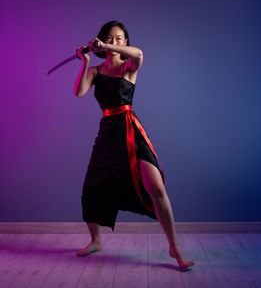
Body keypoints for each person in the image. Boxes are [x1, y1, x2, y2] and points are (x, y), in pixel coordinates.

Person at [73, 20, 194, 271]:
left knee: (156, 187)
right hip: (107, 134)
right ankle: (95, 241)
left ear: (125, 42)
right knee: (91, 189)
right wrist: (85, 61)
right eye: (109, 38)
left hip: (130, 131)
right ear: (100, 40)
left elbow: (139, 53)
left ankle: (174, 247)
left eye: (119, 39)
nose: (115, 42)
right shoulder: (96, 72)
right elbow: (79, 92)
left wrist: (104, 45)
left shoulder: (128, 66)